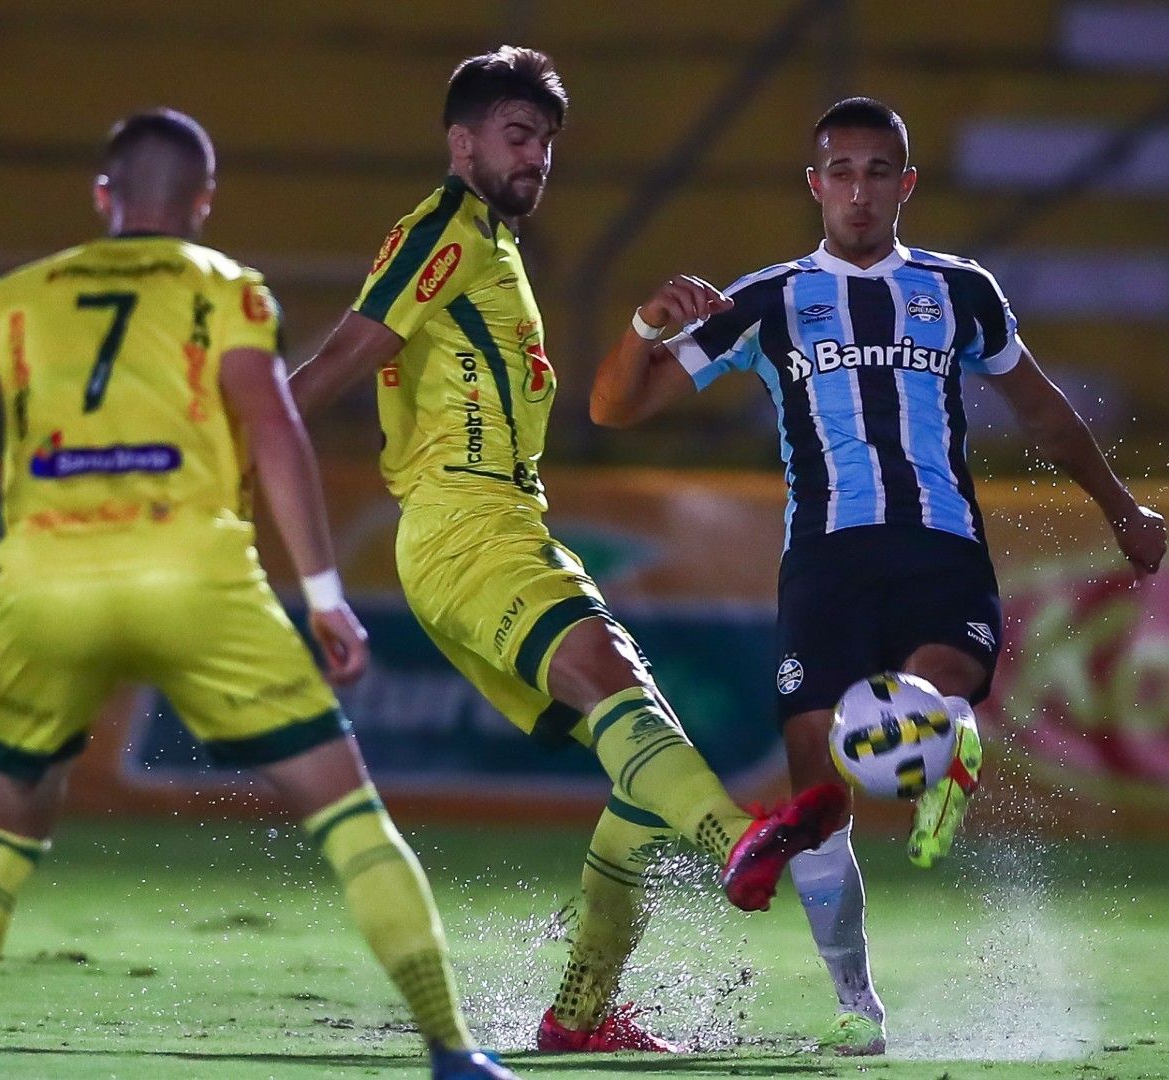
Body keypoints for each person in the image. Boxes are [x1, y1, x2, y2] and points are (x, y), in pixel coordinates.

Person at [0, 109, 515, 1080]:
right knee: (348, 816)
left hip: (50, 588)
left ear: (103, 197)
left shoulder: (20, 295)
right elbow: (275, 426)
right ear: (203, 204)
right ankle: (452, 1053)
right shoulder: (227, 290)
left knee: (2, 836)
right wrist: (326, 593)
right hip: (194, 578)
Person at [289, 47, 847, 1055]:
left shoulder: (497, 252)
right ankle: (734, 841)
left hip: (501, 525)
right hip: (466, 525)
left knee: (642, 749)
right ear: (461, 142)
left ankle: (579, 1013)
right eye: (516, 135)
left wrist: (640, 324)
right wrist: (241, 449)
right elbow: (343, 357)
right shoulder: (443, 233)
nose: (536, 155)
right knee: (608, 675)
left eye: (545, 140)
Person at [588, 97, 1169, 1055]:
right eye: (840, 171)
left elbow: (1043, 411)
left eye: (877, 171)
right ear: (815, 185)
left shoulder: (959, 290)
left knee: (920, 694)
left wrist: (1121, 507)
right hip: (824, 562)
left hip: (938, 545)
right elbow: (615, 407)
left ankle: (946, 735)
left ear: (907, 184)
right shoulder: (765, 302)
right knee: (821, 794)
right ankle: (857, 1008)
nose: (859, 191)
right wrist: (645, 322)